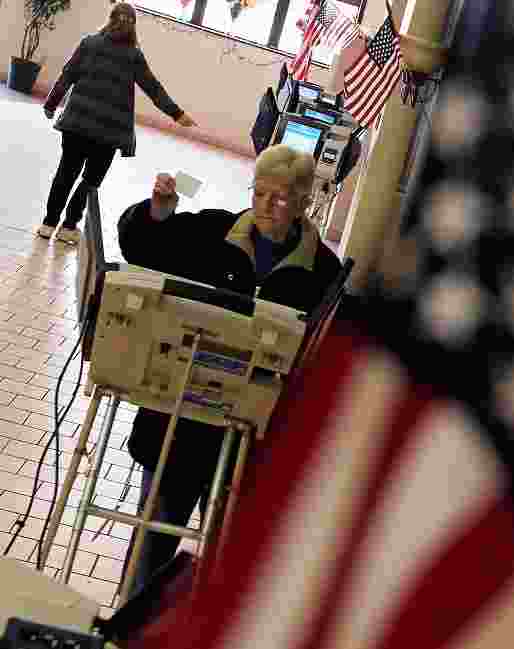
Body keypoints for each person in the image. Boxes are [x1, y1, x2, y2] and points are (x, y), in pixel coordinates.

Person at [116, 143, 343, 599]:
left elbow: (325, 360)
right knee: (150, 548)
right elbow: (141, 247)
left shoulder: (324, 272)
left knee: (225, 570)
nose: (265, 205)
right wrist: (156, 213)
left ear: (303, 202)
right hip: (178, 425)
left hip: (250, 443)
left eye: (280, 198)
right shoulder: (210, 231)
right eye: (259, 193)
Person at [38, 2, 196, 245]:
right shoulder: (134, 55)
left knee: (65, 173)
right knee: (90, 181)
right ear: (134, 27)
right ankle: (69, 227)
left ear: (109, 19)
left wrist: (51, 104)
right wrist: (177, 114)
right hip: (108, 133)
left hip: (76, 124)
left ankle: (48, 224)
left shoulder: (89, 43)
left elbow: (67, 75)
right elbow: (153, 89)